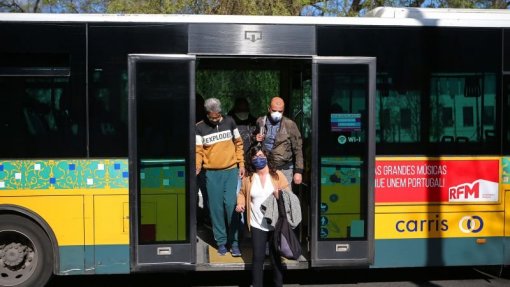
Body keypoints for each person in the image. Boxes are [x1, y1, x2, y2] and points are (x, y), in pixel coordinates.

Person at [196, 98, 245, 257]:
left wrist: (241, 164)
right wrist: (197, 166)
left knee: (231, 205)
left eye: (217, 117)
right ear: (207, 114)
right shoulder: (199, 128)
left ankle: (235, 242)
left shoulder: (230, 122)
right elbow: (198, 151)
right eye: (212, 117)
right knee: (216, 209)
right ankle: (221, 242)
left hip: (231, 171)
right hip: (211, 173)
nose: (215, 119)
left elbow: (239, 143)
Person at [235, 146, 290, 287]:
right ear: (251, 160)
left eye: (261, 156)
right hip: (257, 223)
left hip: (275, 222)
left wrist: (280, 195)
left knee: (275, 257)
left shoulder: (277, 175)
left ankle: (278, 284)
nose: (258, 159)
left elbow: (289, 194)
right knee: (258, 257)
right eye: (255, 157)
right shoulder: (249, 177)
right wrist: (240, 204)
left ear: (266, 157)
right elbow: (242, 193)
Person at [254, 96, 304, 187]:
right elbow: (253, 140)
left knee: (285, 197)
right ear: (269, 109)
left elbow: (298, 149)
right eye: (274, 110)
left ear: (283, 111)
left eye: (280, 111)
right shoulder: (261, 121)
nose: (277, 113)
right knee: (267, 198)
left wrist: (298, 171)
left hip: (285, 169)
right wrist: (255, 137)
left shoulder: (290, 125)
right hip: (265, 168)